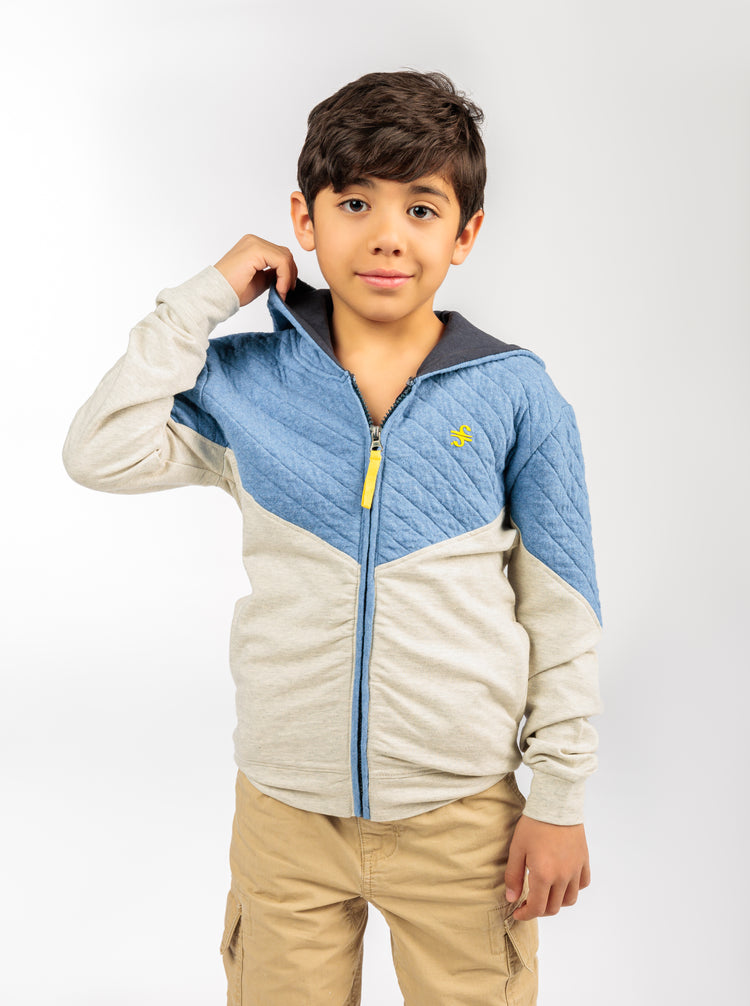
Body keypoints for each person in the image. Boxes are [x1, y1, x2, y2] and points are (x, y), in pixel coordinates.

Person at [62, 69, 603, 1006]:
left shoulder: (517, 394)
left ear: (465, 234)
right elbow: (99, 450)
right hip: (285, 813)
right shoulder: (244, 383)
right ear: (303, 221)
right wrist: (203, 297)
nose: (387, 234)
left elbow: (563, 611)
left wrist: (558, 800)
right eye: (355, 203)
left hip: (463, 815)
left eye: (421, 209)